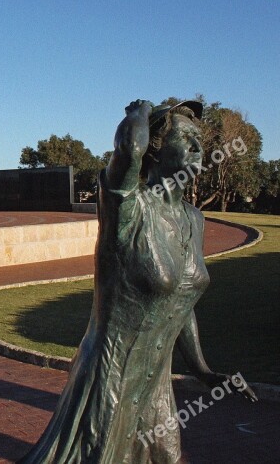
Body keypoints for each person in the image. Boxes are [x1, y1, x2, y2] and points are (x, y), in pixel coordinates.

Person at [20, 100, 257, 464]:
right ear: (157, 149)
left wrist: (204, 371)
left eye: (200, 141)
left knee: (167, 457)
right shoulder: (127, 208)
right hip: (111, 378)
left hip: (155, 387)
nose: (199, 149)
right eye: (187, 139)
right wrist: (141, 111)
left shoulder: (194, 219)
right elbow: (129, 150)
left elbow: (181, 303)